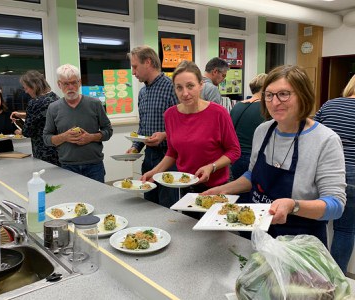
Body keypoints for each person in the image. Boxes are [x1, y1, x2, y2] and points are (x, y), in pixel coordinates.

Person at [203, 65, 346, 247]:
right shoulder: (263, 131)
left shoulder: (325, 140)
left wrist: (293, 205)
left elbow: (336, 205)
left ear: (303, 95)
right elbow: (253, 175)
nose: (275, 102)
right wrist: (222, 190)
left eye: (284, 94)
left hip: (300, 242)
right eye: (269, 95)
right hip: (258, 233)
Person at [141, 60, 240, 195]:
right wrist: (155, 171)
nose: (185, 93)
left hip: (217, 186)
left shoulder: (218, 113)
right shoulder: (170, 115)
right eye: (179, 87)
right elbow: (172, 152)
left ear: (201, 85)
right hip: (186, 185)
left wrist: (212, 167)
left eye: (190, 86)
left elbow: (234, 151)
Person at [126, 45, 179, 207]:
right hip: (149, 156)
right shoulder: (143, 92)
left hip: (168, 157)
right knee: (149, 203)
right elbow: (143, 127)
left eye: (135, 67)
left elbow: (183, 127)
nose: (133, 72)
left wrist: (164, 135)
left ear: (148, 62)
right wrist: (135, 146)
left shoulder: (172, 88)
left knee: (167, 206)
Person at [43, 64, 113, 183]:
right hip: (67, 166)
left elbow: (108, 131)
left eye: (74, 82)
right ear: (59, 84)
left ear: (79, 82)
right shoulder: (53, 108)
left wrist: (91, 137)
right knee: (72, 200)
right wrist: (64, 137)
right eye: (66, 83)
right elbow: (46, 138)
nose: (71, 87)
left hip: (94, 165)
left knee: (97, 200)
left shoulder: (95, 104)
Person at [314, 74, 355, 273]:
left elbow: (312, 132)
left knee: (315, 223)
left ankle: (310, 270)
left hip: (323, 171)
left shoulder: (330, 105)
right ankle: (335, 276)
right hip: (353, 175)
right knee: (345, 230)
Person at [230, 73, 267, 203]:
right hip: (252, 157)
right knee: (252, 195)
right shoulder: (264, 108)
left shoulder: (238, 105)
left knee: (238, 193)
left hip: (235, 156)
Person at [10, 70, 60, 166]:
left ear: (34, 86)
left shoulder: (34, 103)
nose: (26, 91)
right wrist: (24, 115)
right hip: (59, 149)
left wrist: (19, 124)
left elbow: (27, 131)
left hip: (43, 151)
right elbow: (44, 116)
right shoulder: (56, 98)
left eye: (26, 88)